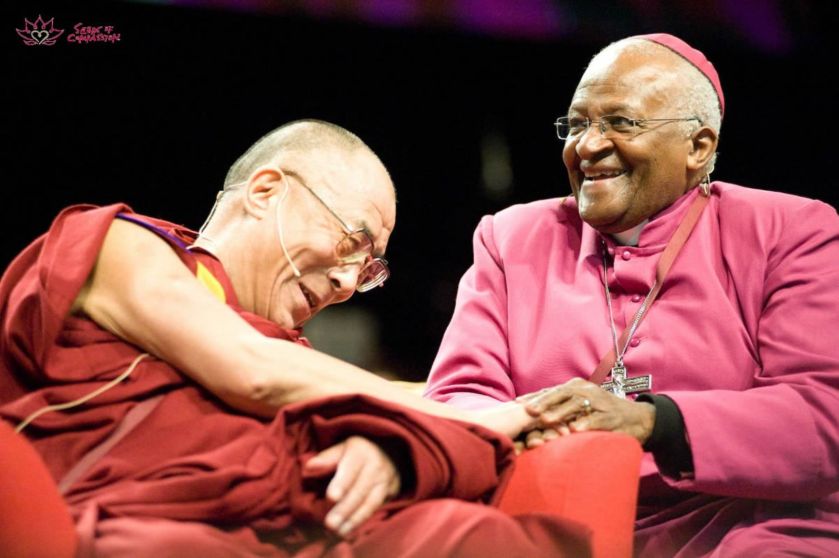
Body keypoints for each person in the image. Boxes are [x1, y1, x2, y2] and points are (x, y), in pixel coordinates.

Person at [0, 120, 590, 557]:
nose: (343, 281)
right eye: (350, 243)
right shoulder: (120, 245)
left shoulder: (300, 361)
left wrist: (390, 449)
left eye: (367, 271)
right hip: (143, 519)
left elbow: (311, 415)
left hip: (284, 529)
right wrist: (477, 413)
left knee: (478, 539)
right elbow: (248, 369)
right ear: (265, 192)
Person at [424, 34, 839, 556]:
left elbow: (822, 416)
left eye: (621, 123)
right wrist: (533, 426)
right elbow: (457, 398)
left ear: (698, 147)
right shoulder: (512, 238)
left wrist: (651, 421)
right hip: (555, 518)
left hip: (744, 524)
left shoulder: (790, 231)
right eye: (576, 125)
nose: (587, 146)